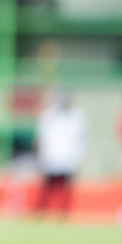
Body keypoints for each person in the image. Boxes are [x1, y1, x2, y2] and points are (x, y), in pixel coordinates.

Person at [35, 88, 86, 217]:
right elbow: (42, 138)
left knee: (66, 188)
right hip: (51, 157)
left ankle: (63, 213)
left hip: (67, 158)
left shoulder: (76, 116)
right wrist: (42, 156)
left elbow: (80, 139)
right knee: (48, 187)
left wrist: (77, 158)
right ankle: (42, 213)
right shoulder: (48, 115)